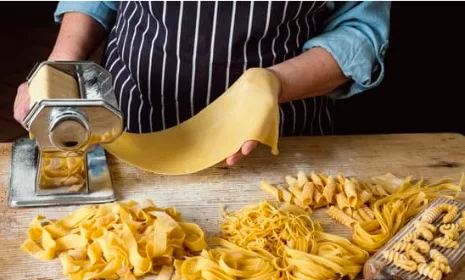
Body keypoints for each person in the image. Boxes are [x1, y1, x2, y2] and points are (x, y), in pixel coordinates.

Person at [13, 1, 391, 165]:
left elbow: (359, 32)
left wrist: (272, 84)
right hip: (130, 127)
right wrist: (60, 71)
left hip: (275, 145)